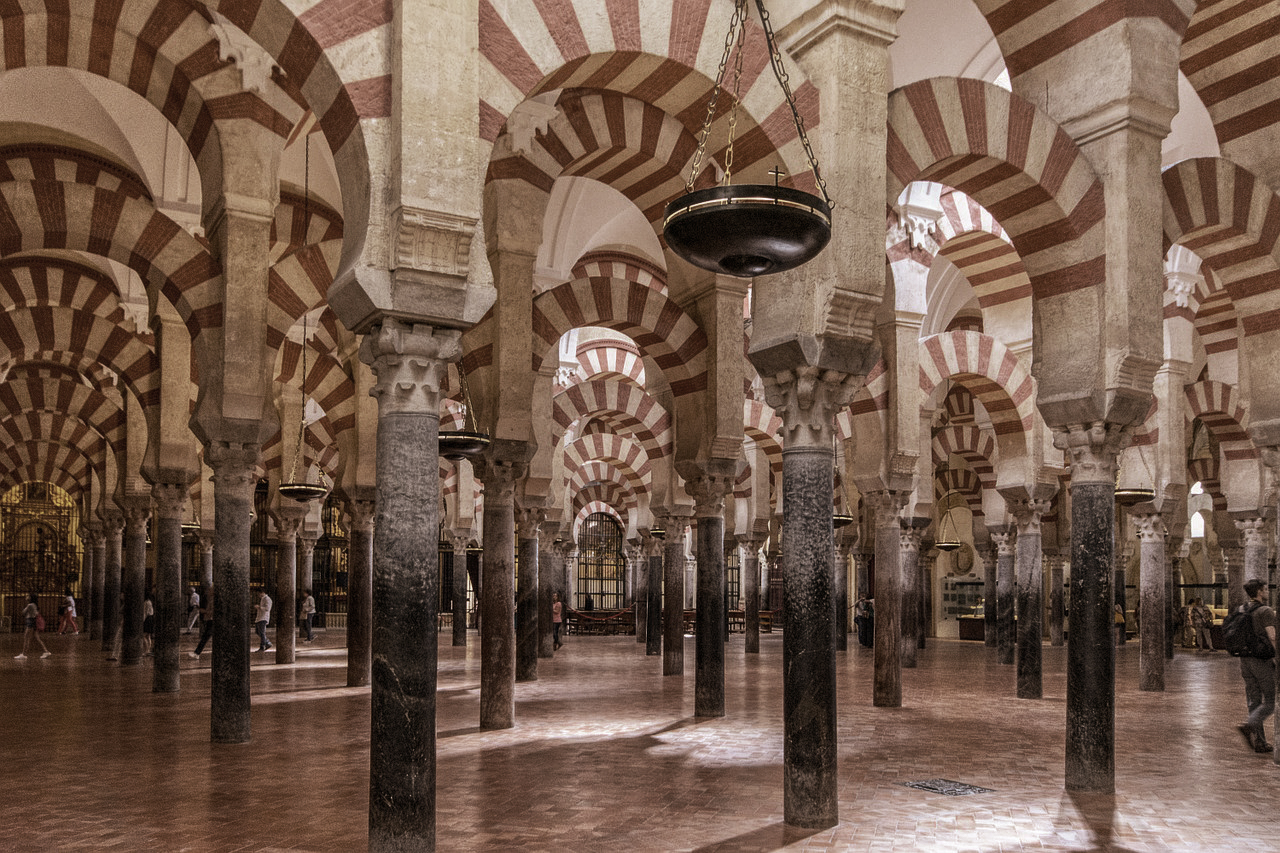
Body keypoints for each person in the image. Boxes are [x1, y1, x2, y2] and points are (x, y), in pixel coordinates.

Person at [1235, 578, 1277, 754]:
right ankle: (1248, 725)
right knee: (1269, 702)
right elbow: (1272, 636)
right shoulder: (1266, 611)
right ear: (1260, 591)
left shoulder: (1241, 609)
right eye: (1265, 589)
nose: (1267, 592)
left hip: (1245, 661)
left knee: (1254, 701)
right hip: (1262, 660)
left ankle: (1259, 742)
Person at [15, 593, 51, 659]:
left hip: (30, 623)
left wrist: (27, 609)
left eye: (28, 596)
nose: (26, 596)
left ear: (31, 598)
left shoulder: (30, 605)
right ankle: (46, 651)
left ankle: (23, 654)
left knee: (26, 638)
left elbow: (23, 612)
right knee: (36, 638)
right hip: (33, 622)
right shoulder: (34, 605)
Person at [189, 586, 214, 659]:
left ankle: (197, 653)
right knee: (206, 637)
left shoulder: (213, 599)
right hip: (211, 619)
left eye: (210, 590)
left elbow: (213, 611)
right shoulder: (211, 599)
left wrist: (204, 611)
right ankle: (197, 652)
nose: (208, 592)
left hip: (212, 620)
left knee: (205, 637)